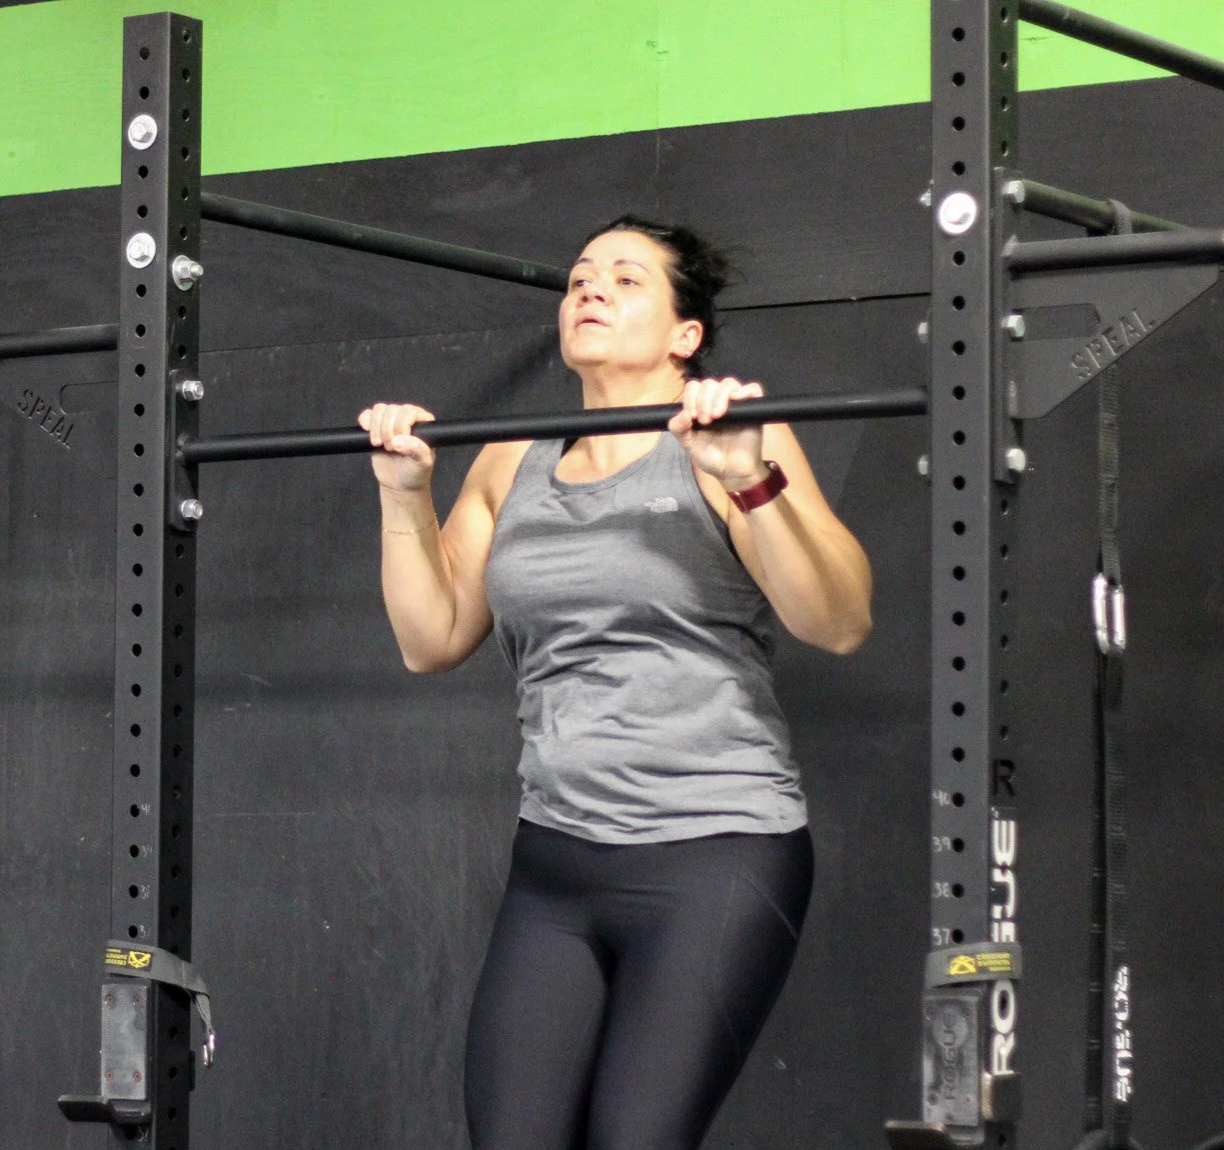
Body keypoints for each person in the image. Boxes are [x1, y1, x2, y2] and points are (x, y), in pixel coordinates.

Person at [356, 215, 873, 1150]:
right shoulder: (512, 457)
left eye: (625, 279)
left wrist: (750, 480)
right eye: (579, 276)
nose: (588, 290)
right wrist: (402, 495)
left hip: (714, 852)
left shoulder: (729, 441)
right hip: (556, 864)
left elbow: (837, 622)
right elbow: (429, 641)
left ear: (685, 335)